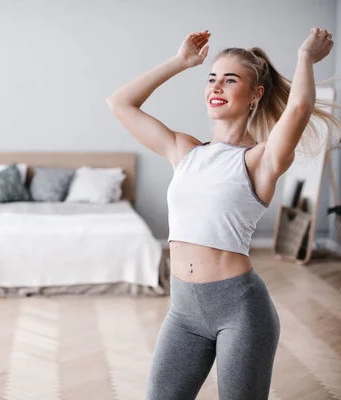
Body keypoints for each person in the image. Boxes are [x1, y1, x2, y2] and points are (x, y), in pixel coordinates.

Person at [107, 28, 340, 400]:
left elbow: (298, 108)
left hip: (241, 314)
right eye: (212, 79)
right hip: (182, 313)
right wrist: (180, 62)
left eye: (230, 80)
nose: (216, 86)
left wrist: (304, 58)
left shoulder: (260, 160)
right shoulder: (184, 150)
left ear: (255, 95)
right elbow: (120, 104)